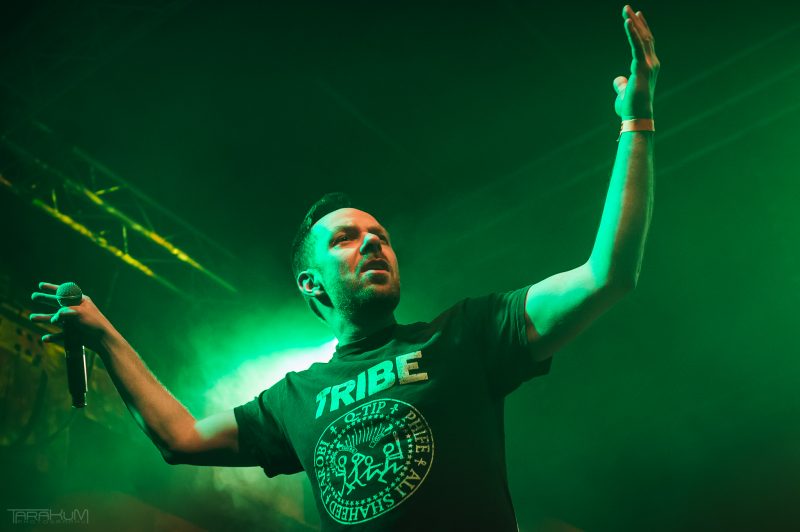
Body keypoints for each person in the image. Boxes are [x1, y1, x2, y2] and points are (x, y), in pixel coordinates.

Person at [29, 5, 658, 530]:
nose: (373, 244)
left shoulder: (466, 334)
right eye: (347, 239)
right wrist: (103, 333)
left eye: (380, 236)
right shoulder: (295, 398)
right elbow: (181, 438)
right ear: (311, 284)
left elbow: (608, 275)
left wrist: (635, 121)